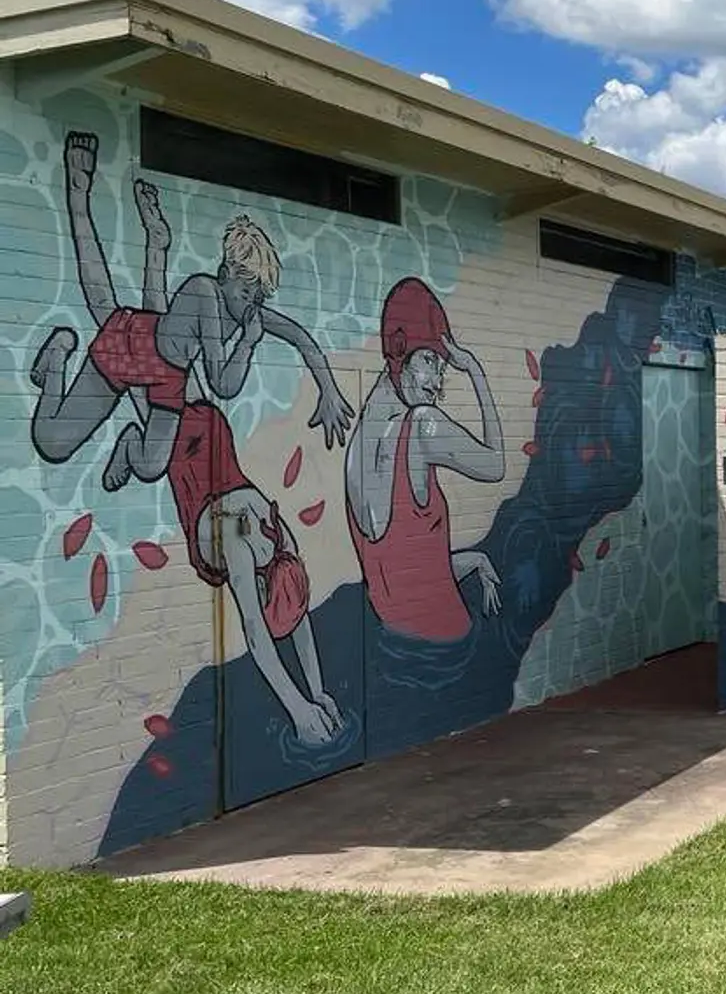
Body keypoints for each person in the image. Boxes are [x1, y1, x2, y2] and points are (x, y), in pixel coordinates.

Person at [29, 130, 353, 487]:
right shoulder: (204, 292)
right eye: (247, 292)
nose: (252, 303)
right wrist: (247, 343)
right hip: (134, 347)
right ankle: (58, 355)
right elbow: (222, 383)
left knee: (152, 467)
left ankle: (128, 445)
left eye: (258, 297)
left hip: (169, 376)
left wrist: (329, 389)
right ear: (225, 275)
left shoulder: (246, 309)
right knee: (52, 442)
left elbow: (300, 337)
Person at [168, 400, 343, 747]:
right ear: (262, 588)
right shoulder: (238, 542)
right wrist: (299, 710)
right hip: (186, 457)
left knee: (178, 401)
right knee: (155, 434)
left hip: (214, 427)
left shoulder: (280, 537)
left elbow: (299, 620)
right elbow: (256, 634)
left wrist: (318, 693)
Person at [345, 277, 505, 642]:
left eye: (443, 368)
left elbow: (405, 571)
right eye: (431, 360)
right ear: (399, 347)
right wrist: (475, 370)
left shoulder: (358, 450)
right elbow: (495, 465)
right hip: (449, 649)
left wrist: (475, 560)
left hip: (394, 645)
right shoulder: (421, 425)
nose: (438, 382)